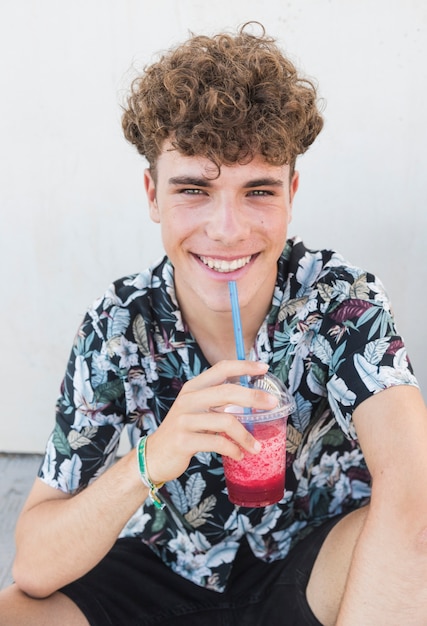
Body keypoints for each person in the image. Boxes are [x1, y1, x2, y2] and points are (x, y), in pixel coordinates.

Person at [1, 21, 426, 626]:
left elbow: (417, 492)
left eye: (257, 191)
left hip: (314, 568)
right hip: (170, 568)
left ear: (291, 191)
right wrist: (152, 458)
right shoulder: (120, 327)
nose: (227, 229)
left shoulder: (339, 302)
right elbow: (34, 566)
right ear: (152, 194)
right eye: (194, 189)